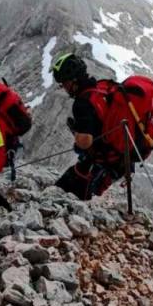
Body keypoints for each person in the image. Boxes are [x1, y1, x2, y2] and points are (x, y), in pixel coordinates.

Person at [51, 53, 126, 200]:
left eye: (64, 83)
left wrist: (76, 135)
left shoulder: (82, 103)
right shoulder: (100, 89)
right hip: (120, 159)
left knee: (62, 196)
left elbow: (85, 142)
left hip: (103, 162)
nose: (64, 88)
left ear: (74, 80)